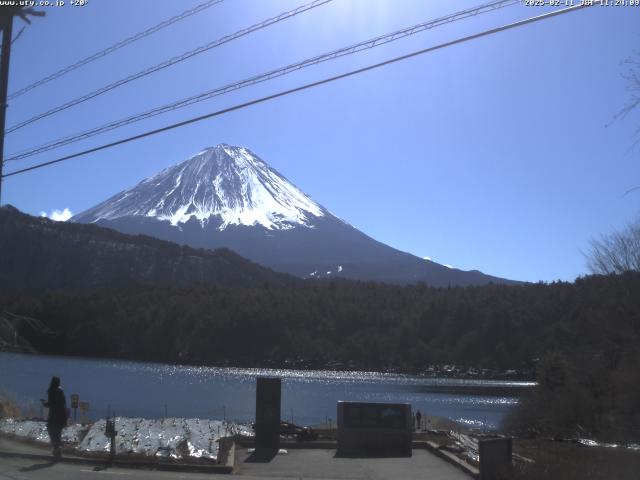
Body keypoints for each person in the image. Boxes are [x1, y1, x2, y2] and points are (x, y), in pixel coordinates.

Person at [43, 376, 68, 459]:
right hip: (61, 415)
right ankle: (57, 450)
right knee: (57, 432)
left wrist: (44, 403)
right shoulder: (61, 391)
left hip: (54, 415)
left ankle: (56, 448)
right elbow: (63, 403)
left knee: (51, 430)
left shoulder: (52, 391)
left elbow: (51, 404)